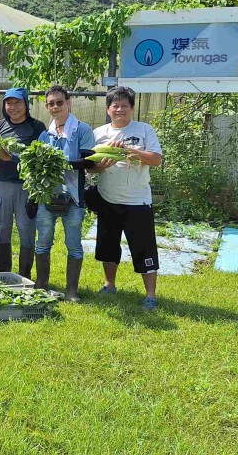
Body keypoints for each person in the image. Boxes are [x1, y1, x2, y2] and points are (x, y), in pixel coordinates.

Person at [88, 86, 164, 310]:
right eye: (115, 105)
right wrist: (101, 166)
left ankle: (150, 295)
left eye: (124, 105)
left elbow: (156, 159)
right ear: (108, 109)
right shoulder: (98, 134)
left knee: (144, 248)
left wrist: (129, 151)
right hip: (107, 198)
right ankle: (109, 285)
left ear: (132, 108)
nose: (119, 109)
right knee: (107, 247)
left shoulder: (144, 130)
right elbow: (91, 168)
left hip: (137, 201)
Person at [34, 85, 96, 300]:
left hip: (74, 198)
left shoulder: (82, 130)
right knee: (43, 242)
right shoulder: (44, 135)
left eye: (59, 102)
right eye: (51, 103)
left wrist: (61, 163)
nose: (55, 107)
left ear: (68, 103)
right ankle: (41, 285)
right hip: (46, 197)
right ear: (46, 106)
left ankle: (71, 291)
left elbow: (89, 161)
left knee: (74, 245)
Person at [0, 88, 46, 278]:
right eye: (9, 103)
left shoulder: (37, 127)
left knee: (26, 229)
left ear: (26, 104)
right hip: (2, 185)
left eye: (17, 102)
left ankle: (24, 277)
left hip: (27, 186)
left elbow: (38, 157)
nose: (13, 107)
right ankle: (4, 275)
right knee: (1, 229)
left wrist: (11, 157)